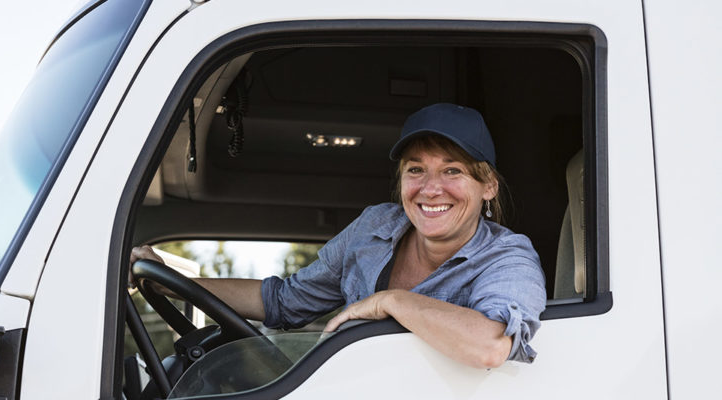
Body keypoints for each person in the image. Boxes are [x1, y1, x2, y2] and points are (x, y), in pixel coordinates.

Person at [131, 103, 546, 369]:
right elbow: (283, 301)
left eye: (452, 170)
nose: (430, 188)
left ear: (487, 186)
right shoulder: (375, 226)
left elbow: (492, 345)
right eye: (415, 170)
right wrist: (174, 284)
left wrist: (391, 301)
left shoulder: (508, 256)